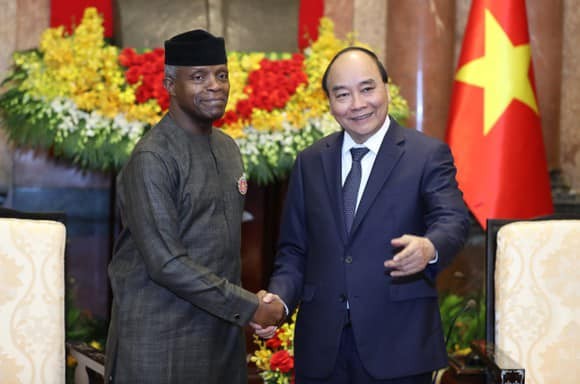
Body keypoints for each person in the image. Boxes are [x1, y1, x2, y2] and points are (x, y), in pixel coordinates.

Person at [254, 47, 470, 383]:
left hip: (399, 346)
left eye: (367, 89)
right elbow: (294, 251)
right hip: (322, 350)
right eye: (343, 94)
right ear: (329, 101)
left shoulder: (426, 154)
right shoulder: (310, 161)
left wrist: (429, 248)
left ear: (386, 87)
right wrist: (278, 300)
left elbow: (453, 220)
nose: (357, 104)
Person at [104, 29, 285, 384]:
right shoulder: (152, 157)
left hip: (220, 336)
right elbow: (166, 262)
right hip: (161, 340)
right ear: (171, 85)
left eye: (221, 75)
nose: (215, 86)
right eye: (198, 77)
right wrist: (251, 306)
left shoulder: (228, 149)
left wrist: (246, 309)